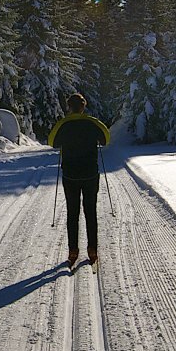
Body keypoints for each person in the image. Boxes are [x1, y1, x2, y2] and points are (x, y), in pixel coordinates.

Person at [46, 93, 110, 271]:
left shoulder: (64, 124)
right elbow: (106, 138)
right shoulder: (92, 122)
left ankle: (73, 251)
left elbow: (52, 142)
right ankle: (92, 250)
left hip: (70, 175)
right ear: (84, 106)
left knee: (72, 212)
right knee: (91, 211)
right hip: (90, 174)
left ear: (69, 107)